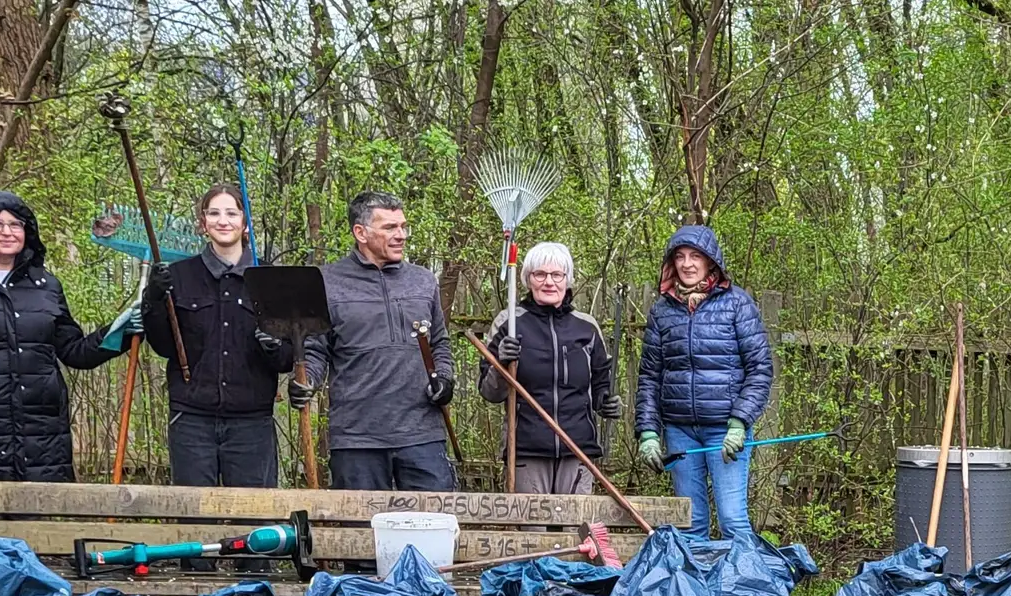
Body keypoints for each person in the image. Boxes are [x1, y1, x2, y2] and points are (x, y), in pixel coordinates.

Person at [0, 189, 140, 482]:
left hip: (45, 431)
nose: (7, 232)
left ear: (27, 232)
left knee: (43, 519)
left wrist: (121, 331)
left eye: (16, 224)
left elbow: (74, 350)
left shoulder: (46, 285)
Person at [290, 191, 456, 492]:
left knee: (432, 530)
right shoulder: (327, 281)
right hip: (357, 439)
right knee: (359, 533)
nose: (401, 235)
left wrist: (444, 379)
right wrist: (306, 383)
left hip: (422, 436)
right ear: (360, 233)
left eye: (403, 226)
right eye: (390, 228)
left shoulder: (423, 280)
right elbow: (315, 350)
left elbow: (440, 344)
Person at [141, 185, 293, 495]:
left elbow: (288, 358)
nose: (223, 221)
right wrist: (153, 299)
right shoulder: (178, 276)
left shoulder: (270, 279)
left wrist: (274, 345)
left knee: (255, 519)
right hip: (192, 420)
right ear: (203, 223)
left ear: (245, 223)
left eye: (232, 213)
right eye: (214, 213)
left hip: (252, 423)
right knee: (193, 517)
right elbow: (163, 345)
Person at [635, 224, 773, 539]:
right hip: (679, 430)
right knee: (691, 524)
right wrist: (647, 433)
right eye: (680, 256)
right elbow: (649, 378)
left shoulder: (737, 304)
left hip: (725, 430)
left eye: (695, 256)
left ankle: (746, 588)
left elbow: (760, 368)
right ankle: (694, 589)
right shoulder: (662, 311)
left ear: (711, 261)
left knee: (732, 520)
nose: (687, 264)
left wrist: (740, 422)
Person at [478, 242, 622, 494]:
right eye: (540, 274)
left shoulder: (586, 327)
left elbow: (601, 383)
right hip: (526, 449)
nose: (549, 282)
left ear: (567, 280)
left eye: (557, 275)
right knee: (534, 531)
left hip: (578, 449)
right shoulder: (509, 323)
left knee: (576, 528)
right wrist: (501, 363)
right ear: (527, 279)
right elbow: (490, 393)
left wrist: (606, 401)